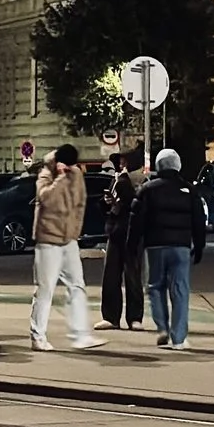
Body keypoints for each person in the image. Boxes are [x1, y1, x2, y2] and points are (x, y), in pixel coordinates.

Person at [134, 148, 208, 348]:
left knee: (155, 287)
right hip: (181, 246)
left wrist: (133, 245)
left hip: (155, 245)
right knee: (180, 290)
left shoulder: (147, 190)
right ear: (178, 166)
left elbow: (137, 220)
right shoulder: (189, 190)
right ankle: (179, 337)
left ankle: (162, 328)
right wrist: (199, 245)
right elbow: (199, 220)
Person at [29, 145, 99, 351]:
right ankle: (38, 336)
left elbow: (80, 203)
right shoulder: (46, 173)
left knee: (77, 285)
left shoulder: (76, 173)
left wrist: (75, 231)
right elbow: (45, 198)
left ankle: (81, 335)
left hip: (69, 240)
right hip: (48, 240)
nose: (72, 168)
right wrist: (59, 178)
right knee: (45, 290)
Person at [99, 153, 132, 329]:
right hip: (116, 230)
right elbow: (105, 205)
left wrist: (121, 203)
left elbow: (136, 203)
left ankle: (134, 318)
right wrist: (107, 202)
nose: (121, 164)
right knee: (111, 274)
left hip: (130, 230)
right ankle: (111, 317)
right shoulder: (116, 179)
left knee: (132, 275)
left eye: (123, 161)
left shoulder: (133, 179)